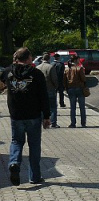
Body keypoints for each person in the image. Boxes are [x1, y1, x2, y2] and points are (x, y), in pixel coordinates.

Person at [0, 47, 51, 186]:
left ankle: (14, 162)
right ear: (28, 59)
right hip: (33, 115)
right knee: (34, 145)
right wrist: (47, 116)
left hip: (16, 115)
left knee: (16, 142)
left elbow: (2, 84)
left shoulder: (7, 72)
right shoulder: (36, 74)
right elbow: (44, 97)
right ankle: (34, 177)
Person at [36, 53, 60, 128]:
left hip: (40, 91)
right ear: (49, 59)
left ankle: (43, 121)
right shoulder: (50, 67)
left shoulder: (37, 67)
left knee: (42, 107)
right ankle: (53, 122)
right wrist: (56, 86)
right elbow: (54, 79)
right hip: (50, 89)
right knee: (53, 107)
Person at [63, 55, 87, 128]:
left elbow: (64, 80)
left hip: (70, 89)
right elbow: (83, 79)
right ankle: (83, 123)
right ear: (76, 60)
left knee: (72, 107)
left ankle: (73, 123)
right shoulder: (79, 68)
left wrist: (66, 88)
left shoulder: (67, 69)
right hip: (79, 88)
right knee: (82, 107)